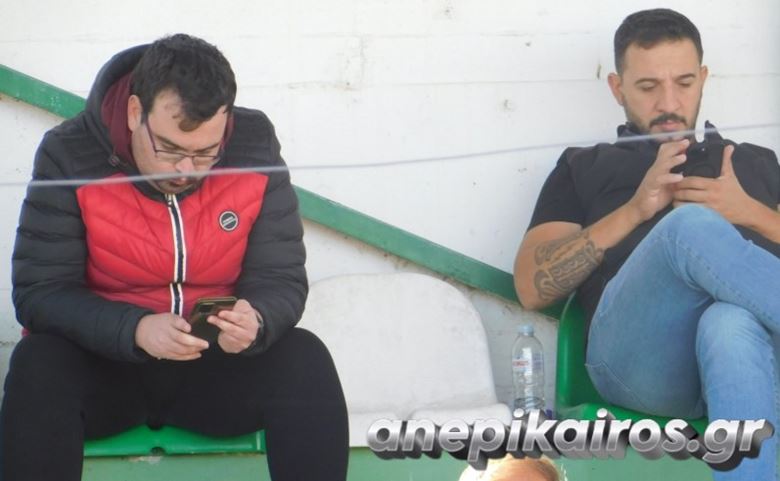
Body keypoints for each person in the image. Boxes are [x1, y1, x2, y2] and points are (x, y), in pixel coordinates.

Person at [1, 34, 348, 481]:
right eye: (169, 149)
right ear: (134, 113)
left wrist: (257, 320)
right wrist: (135, 329)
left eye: (205, 153)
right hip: (106, 367)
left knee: (304, 356)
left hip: (213, 368)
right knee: (38, 363)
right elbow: (41, 293)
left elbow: (280, 277)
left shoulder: (254, 144)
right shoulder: (69, 153)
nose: (186, 170)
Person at [513, 8, 779, 480]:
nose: (669, 102)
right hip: (641, 368)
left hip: (749, 360)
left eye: (684, 82)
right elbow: (531, 287)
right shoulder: (585, 166)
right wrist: (635, 210)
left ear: (703, 78)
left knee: (729, 322)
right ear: (618, 88)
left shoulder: (756, 162)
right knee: (687, 227)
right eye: (648, 87)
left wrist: (751, 213)